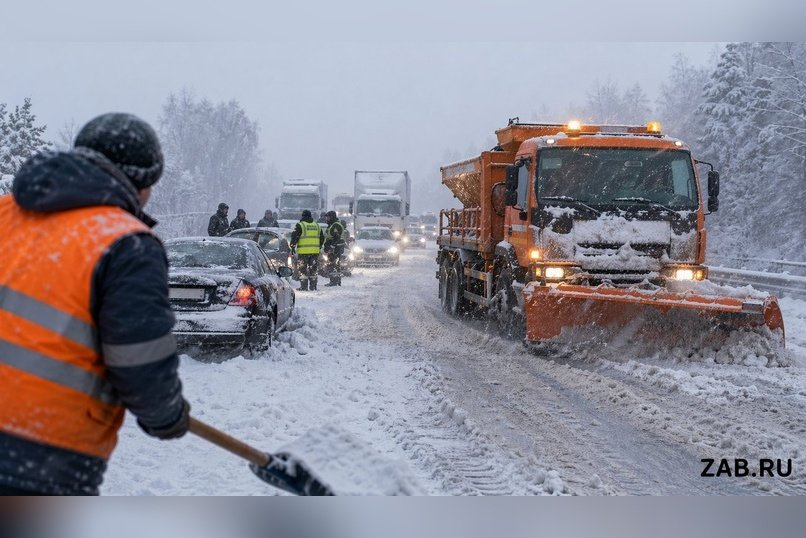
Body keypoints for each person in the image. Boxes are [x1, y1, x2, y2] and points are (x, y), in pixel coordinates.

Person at [0, 113, 189, 495]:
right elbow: (139, 359)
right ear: (144, 182)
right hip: (41, 451)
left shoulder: (5, 212)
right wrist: (166, 415)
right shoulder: (126, 243)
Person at [289, 209, 324, 291]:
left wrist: (293, 246)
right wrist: (318, 246)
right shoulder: (317, 225)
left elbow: (295, 236)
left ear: (303, 216)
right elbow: (322, 238)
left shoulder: (300, 225)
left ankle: (304, 287)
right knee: (313, 269)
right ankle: (313, 287)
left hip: (303, 252)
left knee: (302, 269)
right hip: (314, 252)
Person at [323, 211, 345, 287]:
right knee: (336, 264)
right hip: (336, 247)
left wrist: (331, 247)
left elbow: (336, 237)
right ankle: (337, 280)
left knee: (332, 264)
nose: (327, 219)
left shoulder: (335, 225)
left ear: (332, 217)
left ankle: (334, 281)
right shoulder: (332, 225)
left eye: (328, 217)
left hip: (336, 248)